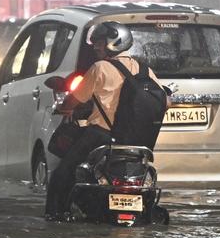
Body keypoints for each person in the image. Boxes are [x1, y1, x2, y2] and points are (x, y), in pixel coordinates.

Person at [45, 22, 167, 221]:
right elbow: (166, 102)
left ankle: (56, 215)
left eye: (99, 42)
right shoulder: (145, 70)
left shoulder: (99, 68)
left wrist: (64, 107)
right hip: (137, 143)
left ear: (114, 43)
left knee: (63, 172)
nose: (95, 47)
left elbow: (73, 100)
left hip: (101, 136)